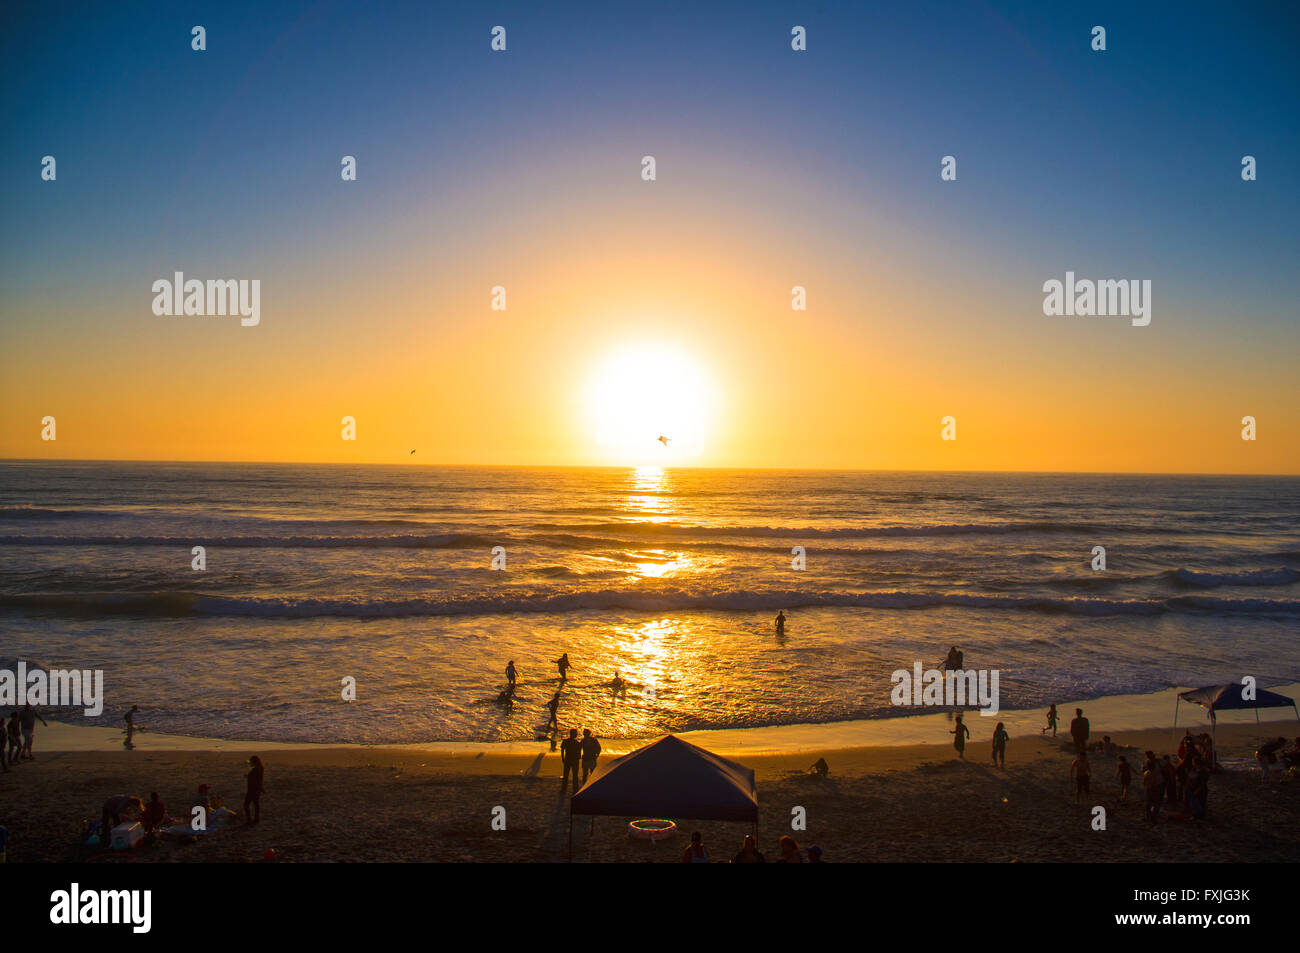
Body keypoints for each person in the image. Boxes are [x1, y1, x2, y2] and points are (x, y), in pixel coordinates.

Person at [560, 729, 582, 793]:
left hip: (568, 759)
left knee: (566, 775)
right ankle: (575, 790)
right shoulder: (577, 743)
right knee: (574, 776)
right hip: (574, 760)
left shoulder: (566, 741)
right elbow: (579, 753)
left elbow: (562, 750)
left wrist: (563, 758)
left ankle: (564, 789)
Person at [244, 755, 265, 824]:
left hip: (252, 789)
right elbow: (259, 780)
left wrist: (248, 776)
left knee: (246, 805)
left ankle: (249, 819)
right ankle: (256, 819)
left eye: (251, 762)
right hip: (257, 789)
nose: (250, 763)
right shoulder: (260, 768)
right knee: (256, 804)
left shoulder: (256, 770)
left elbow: (255, 780)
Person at [1142, 755, 1163, 823]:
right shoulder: (1155, 773)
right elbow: (1155, 782)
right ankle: (1153, 817)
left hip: (1148, 788)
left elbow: (1144, 782)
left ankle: (1148, 816)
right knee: (1155, 804)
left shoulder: (1146, 773)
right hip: (1154, 788)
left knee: (1148, 804)